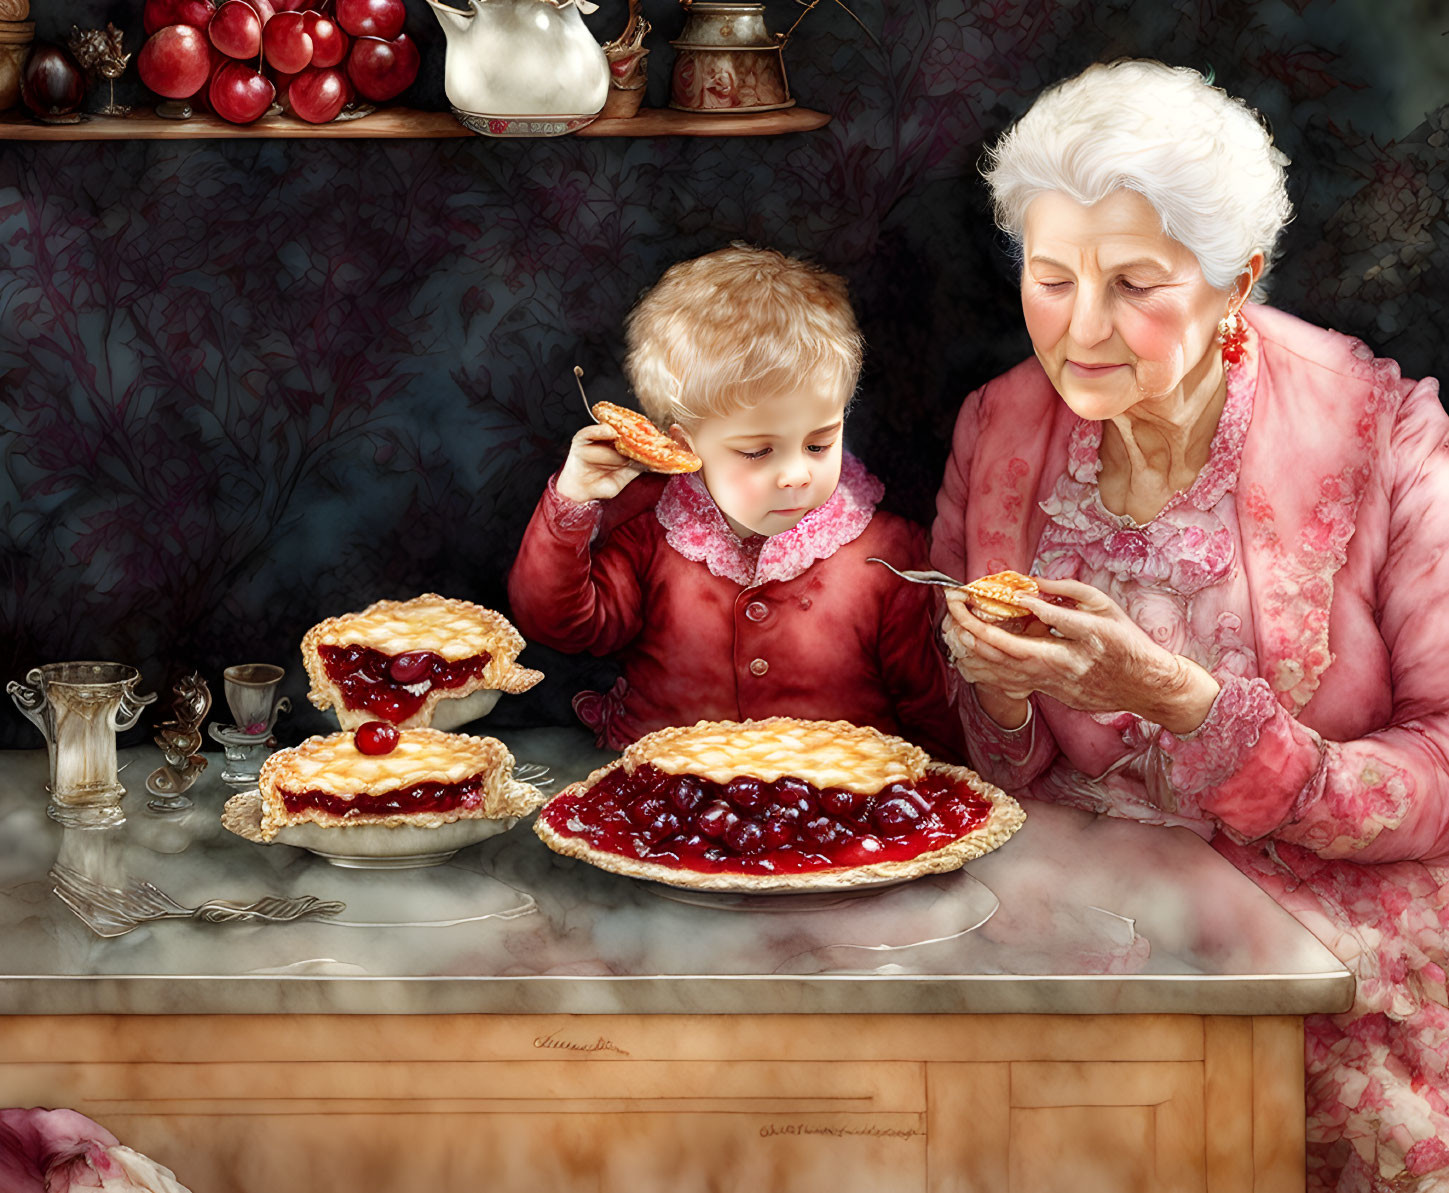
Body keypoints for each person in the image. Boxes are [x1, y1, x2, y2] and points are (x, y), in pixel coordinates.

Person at [932, 58, 1449, 1193]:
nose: (1081, 330)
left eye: (1136, 284)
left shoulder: (1382, 432)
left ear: (1238, 280)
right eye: (1052, 278)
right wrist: (1003, 688)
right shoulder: (1001, 429)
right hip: (1075, 907)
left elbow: (1442, 768)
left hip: (1322, 929)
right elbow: (993, 766)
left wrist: (1182, 701)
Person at [508, 243, 960, 759]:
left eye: (819, 443)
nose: (795, 473)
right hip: (669, 796)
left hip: (834, 805)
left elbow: (930, 707)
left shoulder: (888, 554)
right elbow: (559, 622)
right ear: (683, 448)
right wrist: (571, 501)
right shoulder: (651, 534)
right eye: (757, 451)